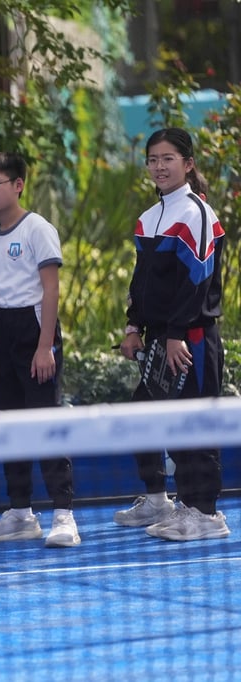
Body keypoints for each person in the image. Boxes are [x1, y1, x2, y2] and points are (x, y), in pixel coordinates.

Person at [114, 127, 228, 541]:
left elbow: (197, 281)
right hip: (162, 338)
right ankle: (160, 499)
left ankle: (206, 513)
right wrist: (133, 327)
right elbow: (141, 280)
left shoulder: (196, 212)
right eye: (153, 159)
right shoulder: (149, 218)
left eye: (168, 159)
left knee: (194, 423)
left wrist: (178, 333)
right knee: (145, 414)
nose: (159, 166)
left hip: (192, 337)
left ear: (188, 164)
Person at [0, 151, 79, 548]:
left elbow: (51, 289)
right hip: (2, 334)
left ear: (18, 185)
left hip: (35, 331)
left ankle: (64, 515)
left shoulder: (38, 229)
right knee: (9, 427)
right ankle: (20, 514)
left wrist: (45, 346)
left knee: (44, 425)